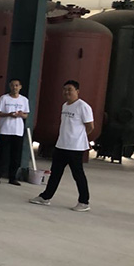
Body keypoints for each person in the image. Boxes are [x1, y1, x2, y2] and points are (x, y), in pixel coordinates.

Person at [30, 80, 94, 212]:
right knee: (55, 173)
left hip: (75, 147)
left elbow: (90, 126)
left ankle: (84, 202)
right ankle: (45, 197)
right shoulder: (65, 105)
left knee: (78, 175)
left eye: (70, 89)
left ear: (77, 91)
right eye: (64, 89)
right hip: (61, 145)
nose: (66, 92)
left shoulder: (83, 106)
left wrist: (78, 137)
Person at [0, 79, 30, 186]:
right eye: (13, 85)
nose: (15, 87)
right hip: (5, 130)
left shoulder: (24, 100)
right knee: (1, 154)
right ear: (10, 86)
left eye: (17, 85)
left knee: (15, 156)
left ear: (20, 87)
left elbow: (26, 115)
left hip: (17, 131)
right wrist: (9, 114)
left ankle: (12, 177)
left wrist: (20, 114)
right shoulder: (4, 98)